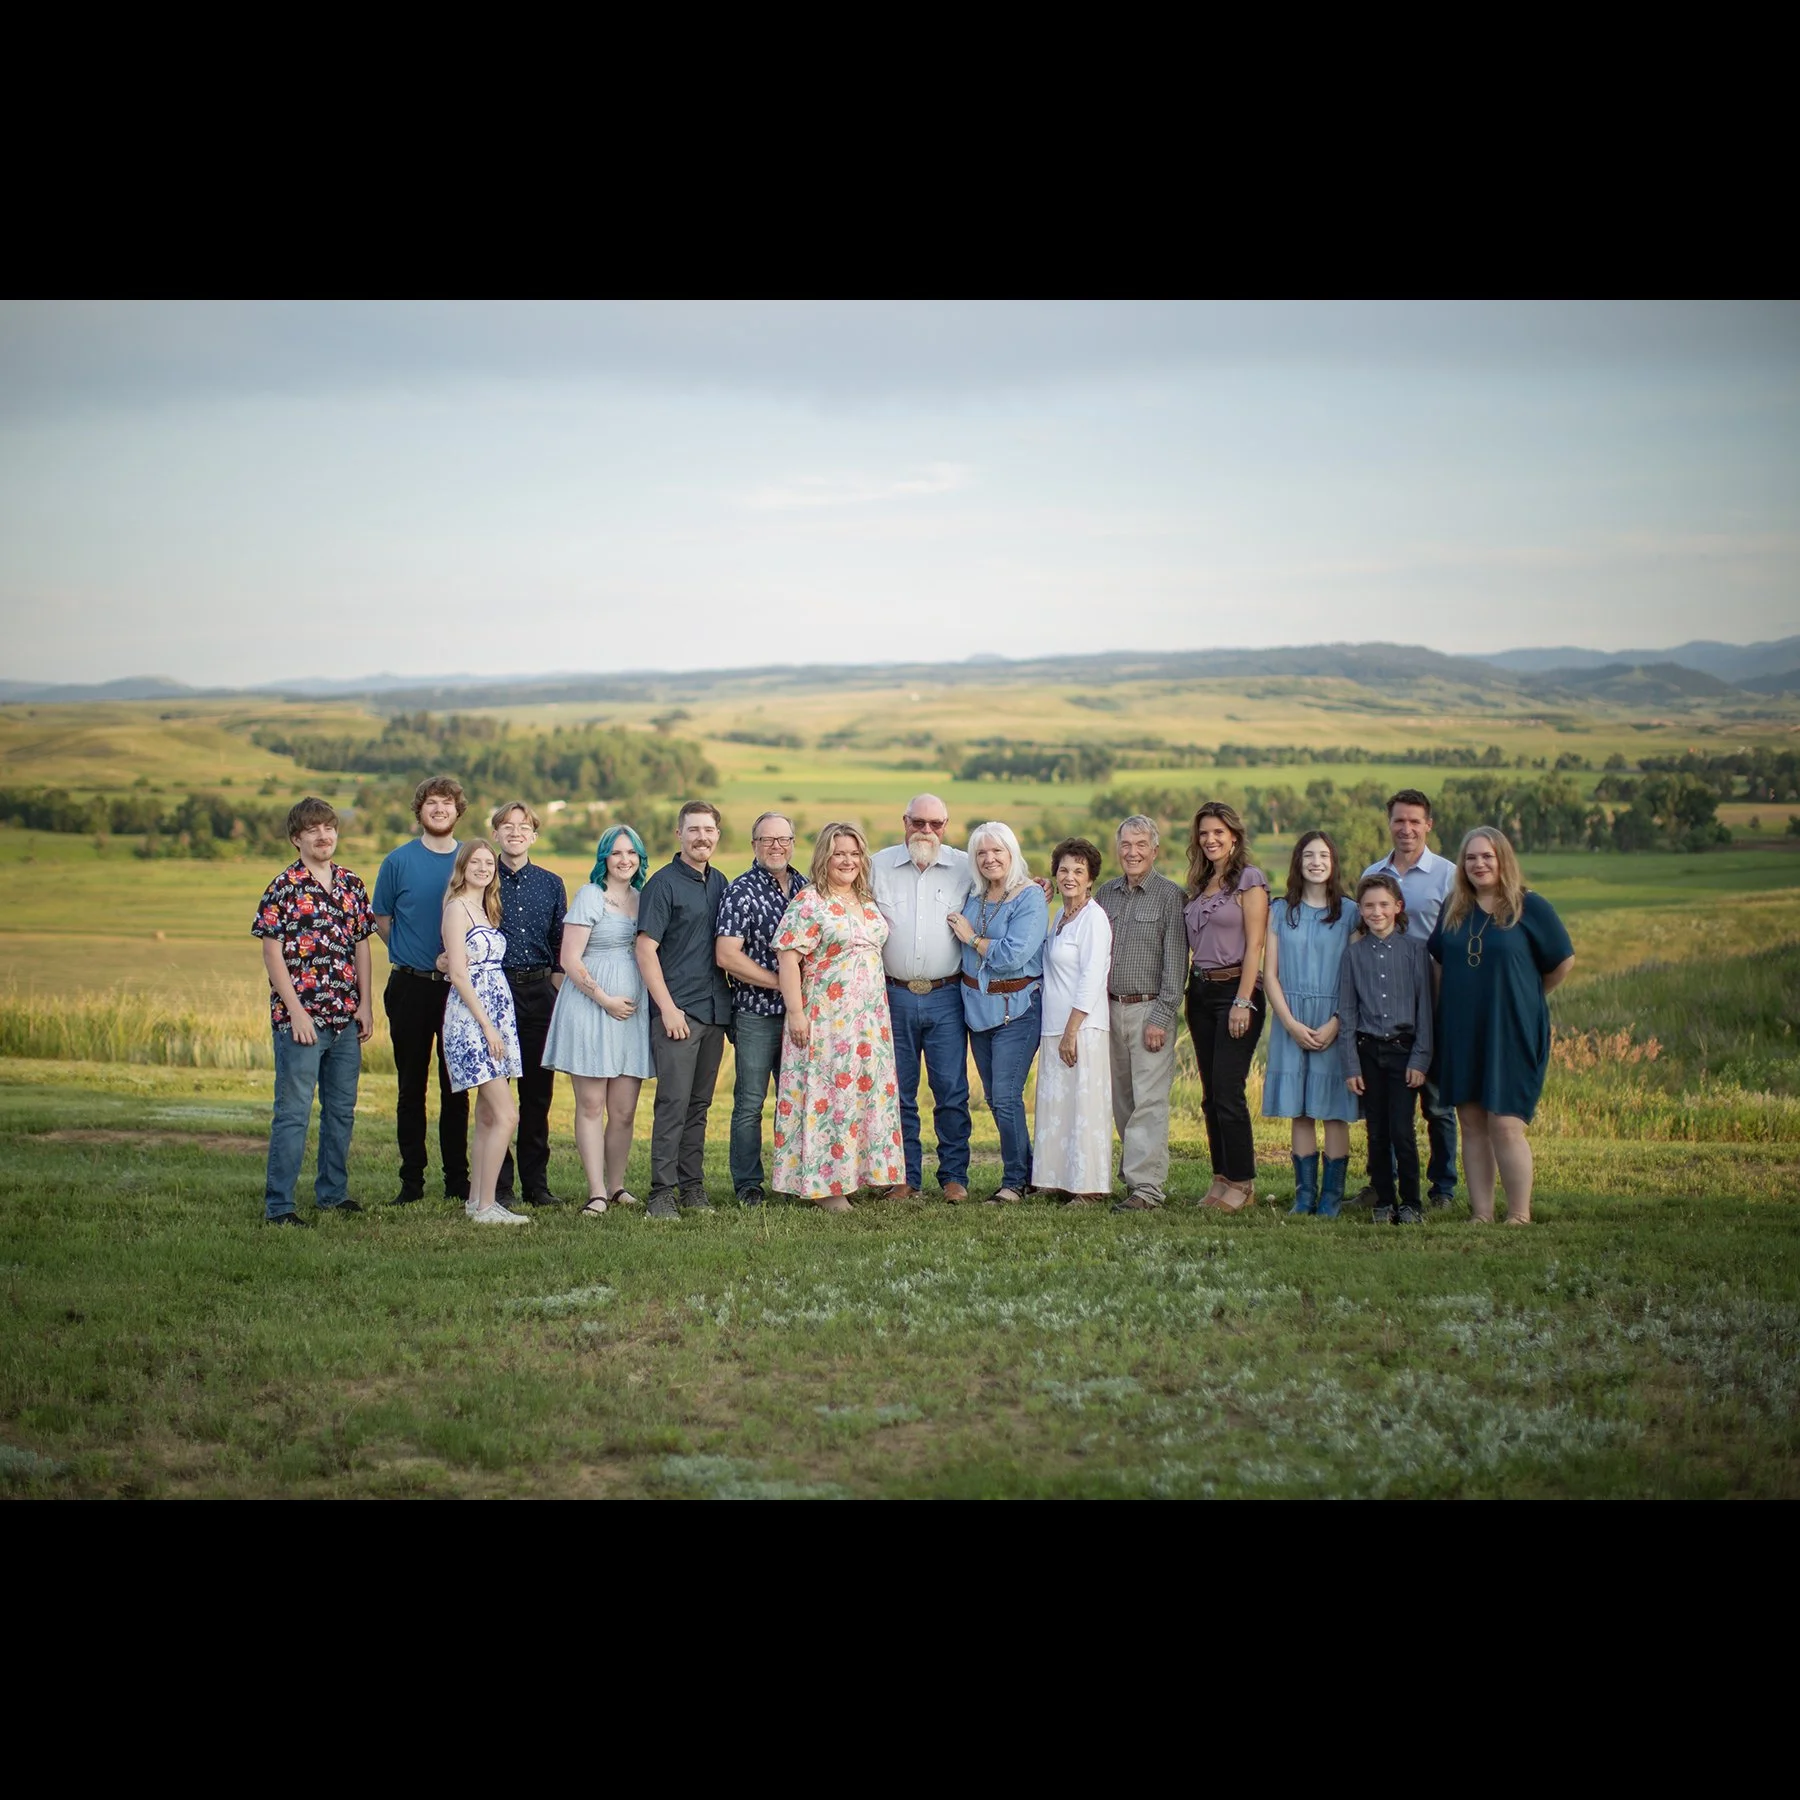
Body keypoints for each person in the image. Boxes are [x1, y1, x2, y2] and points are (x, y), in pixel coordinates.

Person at [1428, 828, 1574, 1226]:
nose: (1479, 864)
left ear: (1503, 860)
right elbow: (1439, 963)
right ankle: (1482, 1213)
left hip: (1512, 1029)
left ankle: (1519, 1214)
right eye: (1471, 858)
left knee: (1506, 1123)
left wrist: (1526, 997)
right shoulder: (1453, 908)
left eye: (1487, 857)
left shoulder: (1530, 907)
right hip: (1461, 1030)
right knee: (1472, 1123)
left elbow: (1562, 962)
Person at [250, 798, 376, 1225]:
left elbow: (361, 945)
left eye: (329, 828)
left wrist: (366, 1005)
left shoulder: (352, 884)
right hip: (300, 1021)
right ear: (296, 838)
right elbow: (272, 953)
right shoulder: (283, 887)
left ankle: (333, 1194)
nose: (324, 836)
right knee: (293, 1112)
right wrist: (296, 1012)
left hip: (345, 1017)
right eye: (313, 830)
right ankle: (279, 1206)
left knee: (341, 1110)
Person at [772, 823, 905, 1211]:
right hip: (827, 1019)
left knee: (860, 1096)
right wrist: (795, 1013)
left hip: (868, 1022)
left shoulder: (866, 900)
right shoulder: (810, 901)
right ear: (823, 858)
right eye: (838, 853)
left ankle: (852, 1177)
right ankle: (825, 1188)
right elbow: (787, 958)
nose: (847, 860)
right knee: (829, 1096)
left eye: (853, 853)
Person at [544, 824, 653, 1217]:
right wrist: (604, 999)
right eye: (616, 853)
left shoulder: (642, 899)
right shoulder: (591, 896)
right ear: (603, 858)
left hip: (630, 1013)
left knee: (623, 1110)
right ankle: (595, 1192)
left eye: (631, 853)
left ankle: (617, 1184)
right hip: (592, 1006)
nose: (624, 860)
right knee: (591, 1105)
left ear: (640, 858)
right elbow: (569, 958)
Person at [372, 775, 468, 1207]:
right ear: (420, 810)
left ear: (457, 810)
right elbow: (383, 919)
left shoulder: (470, 859)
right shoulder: (397, 861)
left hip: (457, 990)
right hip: (410, 986)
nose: (439, 809)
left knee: (457, 1088)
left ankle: (457, 1182)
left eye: (446, 803)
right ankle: (411, 1183)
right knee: (411, 1088)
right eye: (431, 802)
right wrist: (409, 952)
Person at [871, 794, 972, 1202]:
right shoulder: (877, 865)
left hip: (946, 995)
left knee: (951, 1090)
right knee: (897, 1091)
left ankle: (953, 1177)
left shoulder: (966, 867)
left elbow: (1007, 884)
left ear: (946, 825)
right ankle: (905, 1177)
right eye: (918, 822)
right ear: (904, 821)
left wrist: (1040, 884)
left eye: (935, 824)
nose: (926, 831)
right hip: (892, 995)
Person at [1362, 789, 1459, 1206]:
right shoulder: (1373, 872)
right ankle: (1382, 1185)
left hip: (1435, 1003)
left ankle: (1443, 1187)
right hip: (1382, 1010)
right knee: (1382, 1110)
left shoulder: (1449, 876)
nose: (1406, 829)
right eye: (1399, 821)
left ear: (1428, 825)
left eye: (1415, 821)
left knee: (1436, 1103)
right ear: (1390, 823)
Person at [635, 801, 732, 1220]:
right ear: (679, 834)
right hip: (678, 1012)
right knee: (673, 1103)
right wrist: (667, 1009)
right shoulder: (662, 884)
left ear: (717, 835)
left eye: (709, 830)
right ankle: (661, 1194)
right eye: (693, 830)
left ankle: (692, 1188)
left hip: (714, 1012)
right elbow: (645, 949)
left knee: (699, 1106)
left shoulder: (721, 882)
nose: (702, 837)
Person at [949, 822, 1047, 1204]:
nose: (990, 859)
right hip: (976, 1010)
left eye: (997, 851)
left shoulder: (1030, 897)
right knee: (994, 1097)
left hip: (1017, 1009)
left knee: (1006, 1096)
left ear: (1012, 853)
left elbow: (1012, 955)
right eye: (982, 853)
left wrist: (971, 937)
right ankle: (1029, 1171)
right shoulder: (974, 894)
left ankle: (1015, 1180)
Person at [1095, 814, 1188, 1212]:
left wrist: (1162, 1017)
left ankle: (1147, 1189)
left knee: (1149, 1101)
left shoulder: (1170, 896)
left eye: (1140, 845)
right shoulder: (1105, 894)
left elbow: (1176, 963)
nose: (1132, 853)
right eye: (1125, 845)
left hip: (1149, 1008)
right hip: (1108, 1009)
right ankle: (1132, 1178)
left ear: (1155, 850)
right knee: (1122, 1101)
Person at [1263, 830, 1358, 1218]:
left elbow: (1355, 978)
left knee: (1334, 1110)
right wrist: (1289, 1024)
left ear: (1333, 863)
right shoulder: (1280, 911)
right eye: (1308, 856)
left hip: (1336, 1020)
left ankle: (1331, 1199)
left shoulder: (1350, 912)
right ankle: (1304, 1196)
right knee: (1300, 1110)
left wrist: (1337, 1023)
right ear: (1298, 863)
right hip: (1291, 1019)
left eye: (1323, 855)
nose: (1316, 862)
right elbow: (1270, 975)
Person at [715, 812, 808, 1207]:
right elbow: (726, 956)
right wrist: (782, 985)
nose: (776, 846)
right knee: (751, 1103)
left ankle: (796, 1179)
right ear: (754, 844)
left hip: (802, 1016)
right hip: (756, 1014)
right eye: (767, 839)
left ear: (792, 842)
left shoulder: (807, 887)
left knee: (799, 1099)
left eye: (783, 839)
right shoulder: (741, 891)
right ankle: (749, 1186)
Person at [1183, 801, 1269, 1213]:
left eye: (1218, 832)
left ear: (1234, 835)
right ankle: (1220, 1178)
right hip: (1199, 992)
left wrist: (1243, 1000)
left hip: (1237, 990)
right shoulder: (1201, 883)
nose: (1210, 839)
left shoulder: (1249, 881)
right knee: (1210, 1095)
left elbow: (1255, 945)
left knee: (1229, 1091)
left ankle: (1242, 1182)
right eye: (1204, 833)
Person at [1337, 874, 1433, 1225]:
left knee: (1401, 1131)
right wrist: (1351, 1065)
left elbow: (1425, 1012)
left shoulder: (1415, 952)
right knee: (1376, 1130)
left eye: (1383, 905)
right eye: (1368, 906)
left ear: (1398, 907)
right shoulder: (1353, 956)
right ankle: (1383, 1201)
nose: (1376, 912)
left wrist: (1420, 1058)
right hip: (1367, 1053)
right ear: (1360, 911)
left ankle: (1411, 1202)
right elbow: (1347, 1013)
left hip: (1403, 1054)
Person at [441, 839, 528, 1224]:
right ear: (462, 866)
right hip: (472, 1019)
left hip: (497, 1015)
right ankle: (490, 1205)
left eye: (488, 863)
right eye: (475, 862)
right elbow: (458, 972)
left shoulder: (486, 907)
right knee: (508, 1115)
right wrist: (488, 1027)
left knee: (490, 1116)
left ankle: (477, 1200)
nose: (483, 868)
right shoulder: (457, 908)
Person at [486, 801, 568, 1210]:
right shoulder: (481, 880)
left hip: (538, 992)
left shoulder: (551, 884)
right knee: (497, 1092)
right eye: (507, 825)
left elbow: (559, 947)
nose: (515, 832)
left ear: (534, 835)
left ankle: (536, 1185)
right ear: (496, 833)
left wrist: (551, 992)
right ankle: (498, 1186)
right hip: (494, 993)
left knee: (538, 1094)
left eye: (524, 826)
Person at [1035, 837, 1115, 1204]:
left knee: (1085, 1108)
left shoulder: (1094, 918)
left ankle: (1088, 1186)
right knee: (1059, 1106)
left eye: (1078, 871)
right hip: (1054, 1025)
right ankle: (1055, 1178)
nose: (1070, 877)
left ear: (1090, 879)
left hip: (1082, 1027)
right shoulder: (1059, 917)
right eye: (1064, 869)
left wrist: (1071, 1031)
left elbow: (1092, 976)